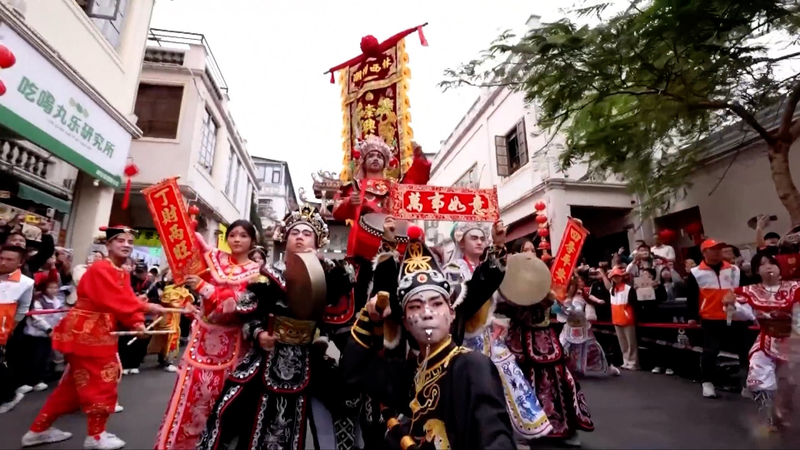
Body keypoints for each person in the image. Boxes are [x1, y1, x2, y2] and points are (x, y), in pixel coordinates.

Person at [340, 222, 516, 449]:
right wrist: (369, 318)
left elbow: (496, 438)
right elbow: (353, 371)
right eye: (415, 306)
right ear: (404, 320)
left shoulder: (472, 366)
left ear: (453, 312)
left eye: (436, 303)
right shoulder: (407, 376)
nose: (427, 312)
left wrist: (498, 246)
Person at [197, 205, 356, 450]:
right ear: (286, 239)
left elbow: (341, 301)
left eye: (307, 233)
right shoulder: (267, 275)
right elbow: (249, 314)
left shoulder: (329, 275)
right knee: (230, 409)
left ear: (317, 241)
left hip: (307, 356)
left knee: (343, 403)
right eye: (295, 232)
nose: (300, 236)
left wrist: (322, 267)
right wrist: (259, 334)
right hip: (267, 356)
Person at [21, 226, 166, 449]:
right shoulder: (100, 268)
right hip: (89, 332)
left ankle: (38, 430)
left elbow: (125, 299)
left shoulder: (120, 271)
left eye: (130, 241)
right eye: (120, 240)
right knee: (104, 381)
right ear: (107, 245)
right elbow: (113, 301)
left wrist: (137, 321)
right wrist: (147, 306)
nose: (126, 244)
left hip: (95, 331)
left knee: (72, 387)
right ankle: (96, 435)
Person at [155, 220, 262, 450]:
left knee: (221, 405)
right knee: (188, 399)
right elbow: (189, 259)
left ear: (252, 241)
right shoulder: (215, 259)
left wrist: (206, 288)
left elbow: (240, 305)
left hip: (233, 344)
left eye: (243, 235)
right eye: (232, 234)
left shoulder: (257, 274)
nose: (236, 239)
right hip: (201, 339)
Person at [446, 221, 553, 441]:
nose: (479, 241)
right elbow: (470, 300)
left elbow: (502, 295)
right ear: (461, 242)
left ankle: (507, 434)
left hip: (489, 338)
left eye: (481, 238)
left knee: (510, 383)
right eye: (473, 237)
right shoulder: (454, 270)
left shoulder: (488, 266)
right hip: (465, 342)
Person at [496, 239, 593, 446]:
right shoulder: (509, 279)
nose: (530, 254)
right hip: (520, 339)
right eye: (525, 250)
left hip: (546, 337)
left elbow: (562, 300)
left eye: (533, 250)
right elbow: (504, 306)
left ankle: (566, 428)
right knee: (522, 384)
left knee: (560, 379)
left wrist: (554, 299)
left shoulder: (546, 277)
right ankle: (525, 428)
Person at [728, 253, 798, 432]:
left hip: (794, 340)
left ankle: (783, 409)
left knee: (790, 382)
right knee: (760, 379)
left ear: (779, 267)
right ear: (757, 270)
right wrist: (731, 306)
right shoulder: (750, 291)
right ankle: (768, 415)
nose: (768, 267)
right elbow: (744, 314)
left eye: (772, 263)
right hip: (767, 339)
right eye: (762, 264)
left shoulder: (796, 287)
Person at [685, 238, 745, 399]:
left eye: (720, 249)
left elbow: (744, 290)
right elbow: (692, 297)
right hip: (710, 317)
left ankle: (747, 384)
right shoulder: (696, 272)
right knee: (710, 351)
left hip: (736, 315)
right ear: (704, 252)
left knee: (744, 350)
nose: (718, 252)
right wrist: (692, 316)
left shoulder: (735, 270)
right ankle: (707, 382)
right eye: (714, 249)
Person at [560, 277, 621, 378]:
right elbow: (563, 313)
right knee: (562, 346)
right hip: (569, 329)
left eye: (573, 285)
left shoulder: (581, 296)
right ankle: (561, 369)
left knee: (594, 349)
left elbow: (577, 311)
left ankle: (610, 367)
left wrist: (568, 305)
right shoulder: (564, 298)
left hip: (583, 329)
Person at [0, 245, 34, 414]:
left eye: (9, 260)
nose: (3, 262)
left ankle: (9, 395)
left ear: (20, 263)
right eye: (1, 258)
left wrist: (11, 326)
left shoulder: (26, 283)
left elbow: (23, 308)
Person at [16, 280, 66, 395]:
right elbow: (37, 318)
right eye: (50, 288)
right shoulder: (38, 301)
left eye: (55, 288)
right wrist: (48, 329)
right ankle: (28, 382)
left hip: (49, 334)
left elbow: (60, 317)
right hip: (35, 334)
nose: (53, 290)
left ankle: (38, 380)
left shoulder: (57, 301)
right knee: (33, 358)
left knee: (44, 358)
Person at [147, 284, 194, 373]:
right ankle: (167, 362)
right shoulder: (169, 290)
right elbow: (173, 303)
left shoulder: (182, 290)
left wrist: (188, 306)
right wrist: (184, 306)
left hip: (174, 318)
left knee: (169, 338)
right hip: (168, 318)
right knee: (170, 338)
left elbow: (187, 302)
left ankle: (165, 360)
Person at [608, 267, 639, 370]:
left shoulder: (628, 289)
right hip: (617, 318)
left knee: (631, 342)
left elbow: (634, 304)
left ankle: (633, 362)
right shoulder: (612, 290)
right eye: (614, 277)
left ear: (621, 277)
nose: (616, 279)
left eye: (618, 276)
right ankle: (626, 361)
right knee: (623, 342)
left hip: (627, 318)